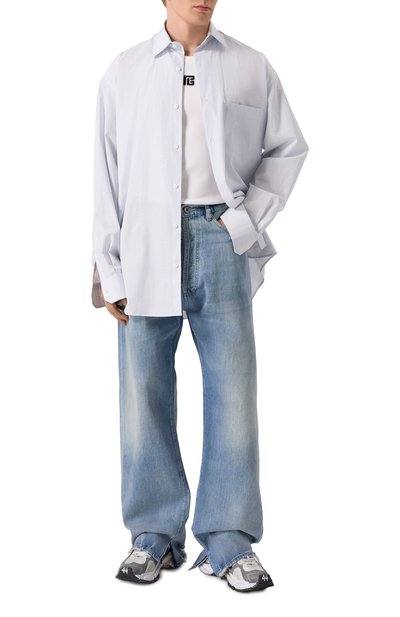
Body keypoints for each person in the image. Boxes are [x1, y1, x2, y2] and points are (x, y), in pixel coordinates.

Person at [91, 0, 309, 593]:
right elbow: (105, 174)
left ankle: (229, 541)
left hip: (220, 237)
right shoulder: (124, 71)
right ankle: (153, 536)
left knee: (233, 390)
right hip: (143, 242)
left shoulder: (250, 65)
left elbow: (288, 148)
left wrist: (245, 221)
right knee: (143, 392)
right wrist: (107, 270)